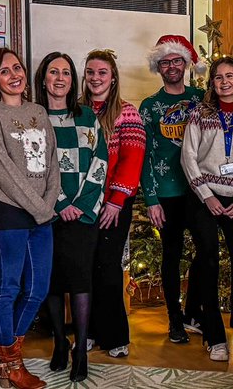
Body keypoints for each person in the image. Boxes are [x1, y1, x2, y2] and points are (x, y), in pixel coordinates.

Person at [180, 56, 233, 365]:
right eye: (219, 77)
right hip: (205, 199)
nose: (225, 82)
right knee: (208, 265)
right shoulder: (200, 114)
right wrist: (206, 195)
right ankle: (214, 337)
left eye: (230, 76)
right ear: (212, 83)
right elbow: (188, 157)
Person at [0, 47, 56, 389]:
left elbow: (52, 163)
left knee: (37, 288)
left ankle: (10, 353)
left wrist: (47, 203)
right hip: (7, 213)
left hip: (42, 214)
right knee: (7, 288)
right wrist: (40, 209)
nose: (14, 75)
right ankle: (10, 365)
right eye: (4, 71)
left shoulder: (38, 110)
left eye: (17, 68)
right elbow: (2, 170)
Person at [36, 52, 108, 382]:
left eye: (66, 72)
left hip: (82, 215)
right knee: (50, 281)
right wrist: (59, 203)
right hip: (47, 212)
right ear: (44, 78)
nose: (60, 77)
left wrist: (81, 203)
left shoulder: (87, 118)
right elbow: (37, 166)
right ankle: (59, 343)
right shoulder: (34, 117)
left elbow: (100, 160)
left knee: (80, 280)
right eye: (54, 71)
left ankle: (80, 349)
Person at [139, 35, 207, 344]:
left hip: (200, 191)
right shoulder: (150, 107)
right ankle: (175, 320)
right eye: (165, 62)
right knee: (172, 255)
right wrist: (151, 199)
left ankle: (193, 311)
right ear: (159, 67)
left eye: (177, 61)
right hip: (166, 194)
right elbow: (144, 157)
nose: (172, 66)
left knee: (206, 252)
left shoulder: (202, 99)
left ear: (186, 64)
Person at [81, 50, 145, 359]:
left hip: (113, 205)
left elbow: (132, 162)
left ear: (113, 77)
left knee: (108, 268)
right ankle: (90, 331)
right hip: (83, 205)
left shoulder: (127, 113)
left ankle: (116, 335)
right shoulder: (77, 111)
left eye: (102, 72)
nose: (95, 77)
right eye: (90, 71)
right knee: (87, 268)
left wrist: (116, 202)